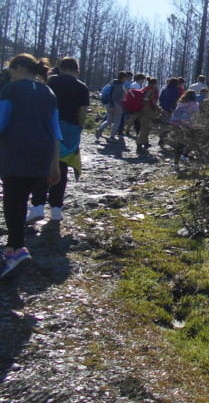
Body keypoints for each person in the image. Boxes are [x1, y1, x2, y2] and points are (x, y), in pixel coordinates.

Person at [0, 54, 61, 279]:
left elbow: (1, 123)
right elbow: (55, 131)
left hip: (16, 151)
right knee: (22, 199)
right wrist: (54, 165)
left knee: (12, 201)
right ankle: (12, 247)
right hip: (42, 154)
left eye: (10, 70)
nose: (9, 74)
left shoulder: (10, 90)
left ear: (18, 68)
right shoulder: (48, 93)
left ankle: (17, 249)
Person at [27, 57, 89, 224]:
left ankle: (37, 206)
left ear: (60, 68)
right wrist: (78, 131)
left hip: (46, 125)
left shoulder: (50, 81)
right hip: (69, 129)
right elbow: (82, 113)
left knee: (42, 166)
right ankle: (56, 209)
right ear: (77, 71)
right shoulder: (82, 87)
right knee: (61, 168)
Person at [123, 77, 160, 152]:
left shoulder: (144, 88)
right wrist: (158, 109)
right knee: (144, 128)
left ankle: (146, 143)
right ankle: (139, 144)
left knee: (144, 126)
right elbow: (153, 101)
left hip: (139, 109)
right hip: (147, 110)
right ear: (155, 84)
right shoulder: (153, 90)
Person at [170, 89, 200, 168]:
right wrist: (196, 125)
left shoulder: (180, 103)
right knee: (193, 140)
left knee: (179, 143)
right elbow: (196, 115)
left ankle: (176, 163)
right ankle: (184, 155)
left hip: (176, 124)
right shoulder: (195, 104)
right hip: (187, 124)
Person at [96, 71, 127, 140]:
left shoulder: (112, 83)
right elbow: (120, 96)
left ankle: (100, 129)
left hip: (108, 103)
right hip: (117, 105)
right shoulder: (120, 86)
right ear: (123, 78)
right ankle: (112, 136)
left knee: (109, 120)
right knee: (117, 121)